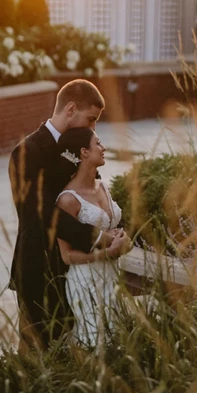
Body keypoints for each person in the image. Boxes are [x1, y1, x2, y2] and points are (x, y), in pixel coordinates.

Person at [8, 79, 108, 350]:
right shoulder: (26, 151)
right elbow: (39, 212)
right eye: (91, 119)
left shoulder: (80, 149)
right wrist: (98, 236)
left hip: (76, 270)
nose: (93, 128)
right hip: (38, 268)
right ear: (71, 109)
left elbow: (91, 196)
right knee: (35, 353)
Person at [55, 127, 132, 346]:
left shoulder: (103, 186)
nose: (103, 147)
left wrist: (122, 236)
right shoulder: (68, 200)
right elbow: (66, 256)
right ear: (84, 152)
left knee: (118, 337)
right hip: (86, 279)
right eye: (97, 143)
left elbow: (114, 225)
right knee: (95, 340)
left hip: (111, 275)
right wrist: (107, 252)